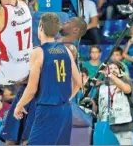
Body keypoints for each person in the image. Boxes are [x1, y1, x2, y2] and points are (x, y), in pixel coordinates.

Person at [13, 13, 82, 145]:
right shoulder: (66, 50)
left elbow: (32, 89)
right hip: (66, 110)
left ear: (40, 27)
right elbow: (79, 82)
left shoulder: (38, 52)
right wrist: (67, 98)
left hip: (47, 109)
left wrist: (19, 105)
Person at [92, 62, 133, 145]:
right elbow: (96, 106)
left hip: (124, 130)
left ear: (120, 72)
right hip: (105, 128)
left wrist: (111, 75)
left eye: (115, 68)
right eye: (110, 68)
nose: (112, 70)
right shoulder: (101, 88)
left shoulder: (127, 82)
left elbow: (127, 89)